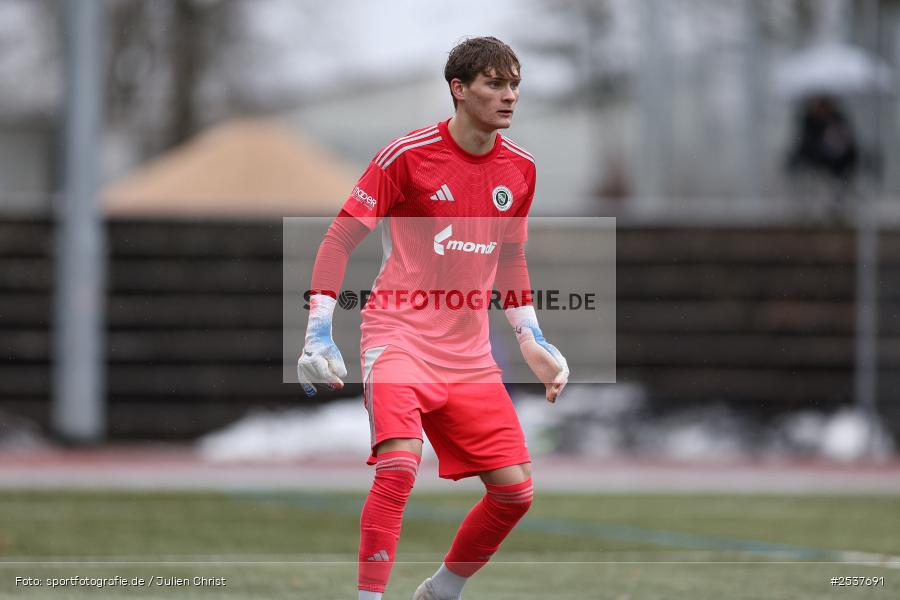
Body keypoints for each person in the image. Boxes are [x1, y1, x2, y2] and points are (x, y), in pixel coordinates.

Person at [296, 36, 569, 600]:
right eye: (495, 83)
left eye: (515, 84)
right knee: (398, 468)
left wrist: (531, 337)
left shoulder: (521, 169)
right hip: (398, 337)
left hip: (468, 355)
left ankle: (441, 591)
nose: (510, 96)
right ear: (459, 89)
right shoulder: (407, 156)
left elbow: (511, 257)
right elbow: (339, 238)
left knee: (515, 494)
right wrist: (318, 329)